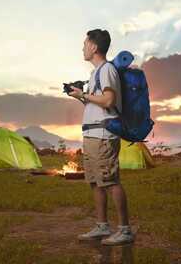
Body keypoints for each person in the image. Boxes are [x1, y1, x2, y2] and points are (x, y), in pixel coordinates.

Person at [67, 29, 134, 245]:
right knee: (96, 182)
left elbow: (108, 101)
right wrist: (80, 95)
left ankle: (125, 230)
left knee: (110, 181)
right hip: (92, 133)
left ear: (94, 47)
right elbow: (96, 102)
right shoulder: (95, 73)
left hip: (103, 134)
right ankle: (102, 226)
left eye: (85, 43)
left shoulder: (107, 70)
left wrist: (85, 94)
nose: (83, 48)